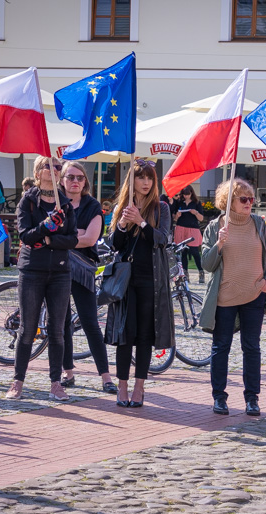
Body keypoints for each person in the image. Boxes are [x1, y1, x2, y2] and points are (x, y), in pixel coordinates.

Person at [200, 178, 266, 417]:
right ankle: (219, 397)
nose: (248, 203)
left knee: (251, 347)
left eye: (251, 199)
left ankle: (252, 398)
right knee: (221, 346)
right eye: (243, 199)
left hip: (254, 295)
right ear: (228, 201)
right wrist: (219, 245)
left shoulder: (258, 224)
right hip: (224, 298)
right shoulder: (216, 227)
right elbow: (206, 264)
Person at [5, 156, 77, 401]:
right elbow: (25, 236)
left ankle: (56, 383)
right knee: (27, 330)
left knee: (57, 330)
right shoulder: (28, 201)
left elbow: (72, 240)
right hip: (32, 271)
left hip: (59, 272)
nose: (55, 170)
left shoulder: (65, 203)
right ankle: (18, 381)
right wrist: (47, 225)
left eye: (58, 167)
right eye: (49, 166)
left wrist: (47, 240)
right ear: (38, 172)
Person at [105, 158, 174, 408]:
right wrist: (123, 225)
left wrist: (142, 222)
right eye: (141, 177)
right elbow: (114, 245)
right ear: (131, 181)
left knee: (145, 336)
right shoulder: (122, 207)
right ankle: (121, 385)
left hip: (150, 280)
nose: (145, 182)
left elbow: (161, 240)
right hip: (126, 282)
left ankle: (139, 386)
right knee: (125, 334)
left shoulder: (161, 208)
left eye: (150, 178)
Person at [58, 160, 117, 394]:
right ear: (62, 180)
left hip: (83, 270)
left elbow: (91, 239)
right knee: (61, 323)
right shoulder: (56, 203)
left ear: (85, 182)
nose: (75, 182)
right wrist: (76, 234)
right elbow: (50, 234)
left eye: (79, 178)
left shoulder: (92, 206)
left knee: (90, 323)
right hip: (58, 268)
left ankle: (105, 376)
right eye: (70, 177)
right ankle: (67, 372)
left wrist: (64, 236)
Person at [172, 185, 205, 283]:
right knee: (183, 252)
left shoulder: (196, 203)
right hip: (181, 228)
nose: (186, 196)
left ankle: (201, 271)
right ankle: (185, 274)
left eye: (187, 194)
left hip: (193, 229)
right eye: (184, 194)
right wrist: (177, 216)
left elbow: (201, 218)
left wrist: (195, 213)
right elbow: (175, 219)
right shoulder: (179, 202)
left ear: (191, 193)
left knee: (195, 252)